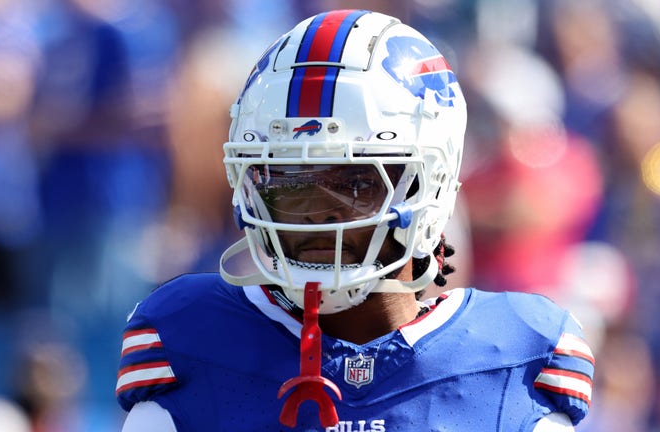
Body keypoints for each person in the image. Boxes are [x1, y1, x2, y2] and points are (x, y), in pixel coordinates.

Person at [115, 9, 595, 431]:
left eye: (356, 183)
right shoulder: (193, 342)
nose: (318, 213)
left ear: (428, 185)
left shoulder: (512, 359)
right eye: (289, 183)